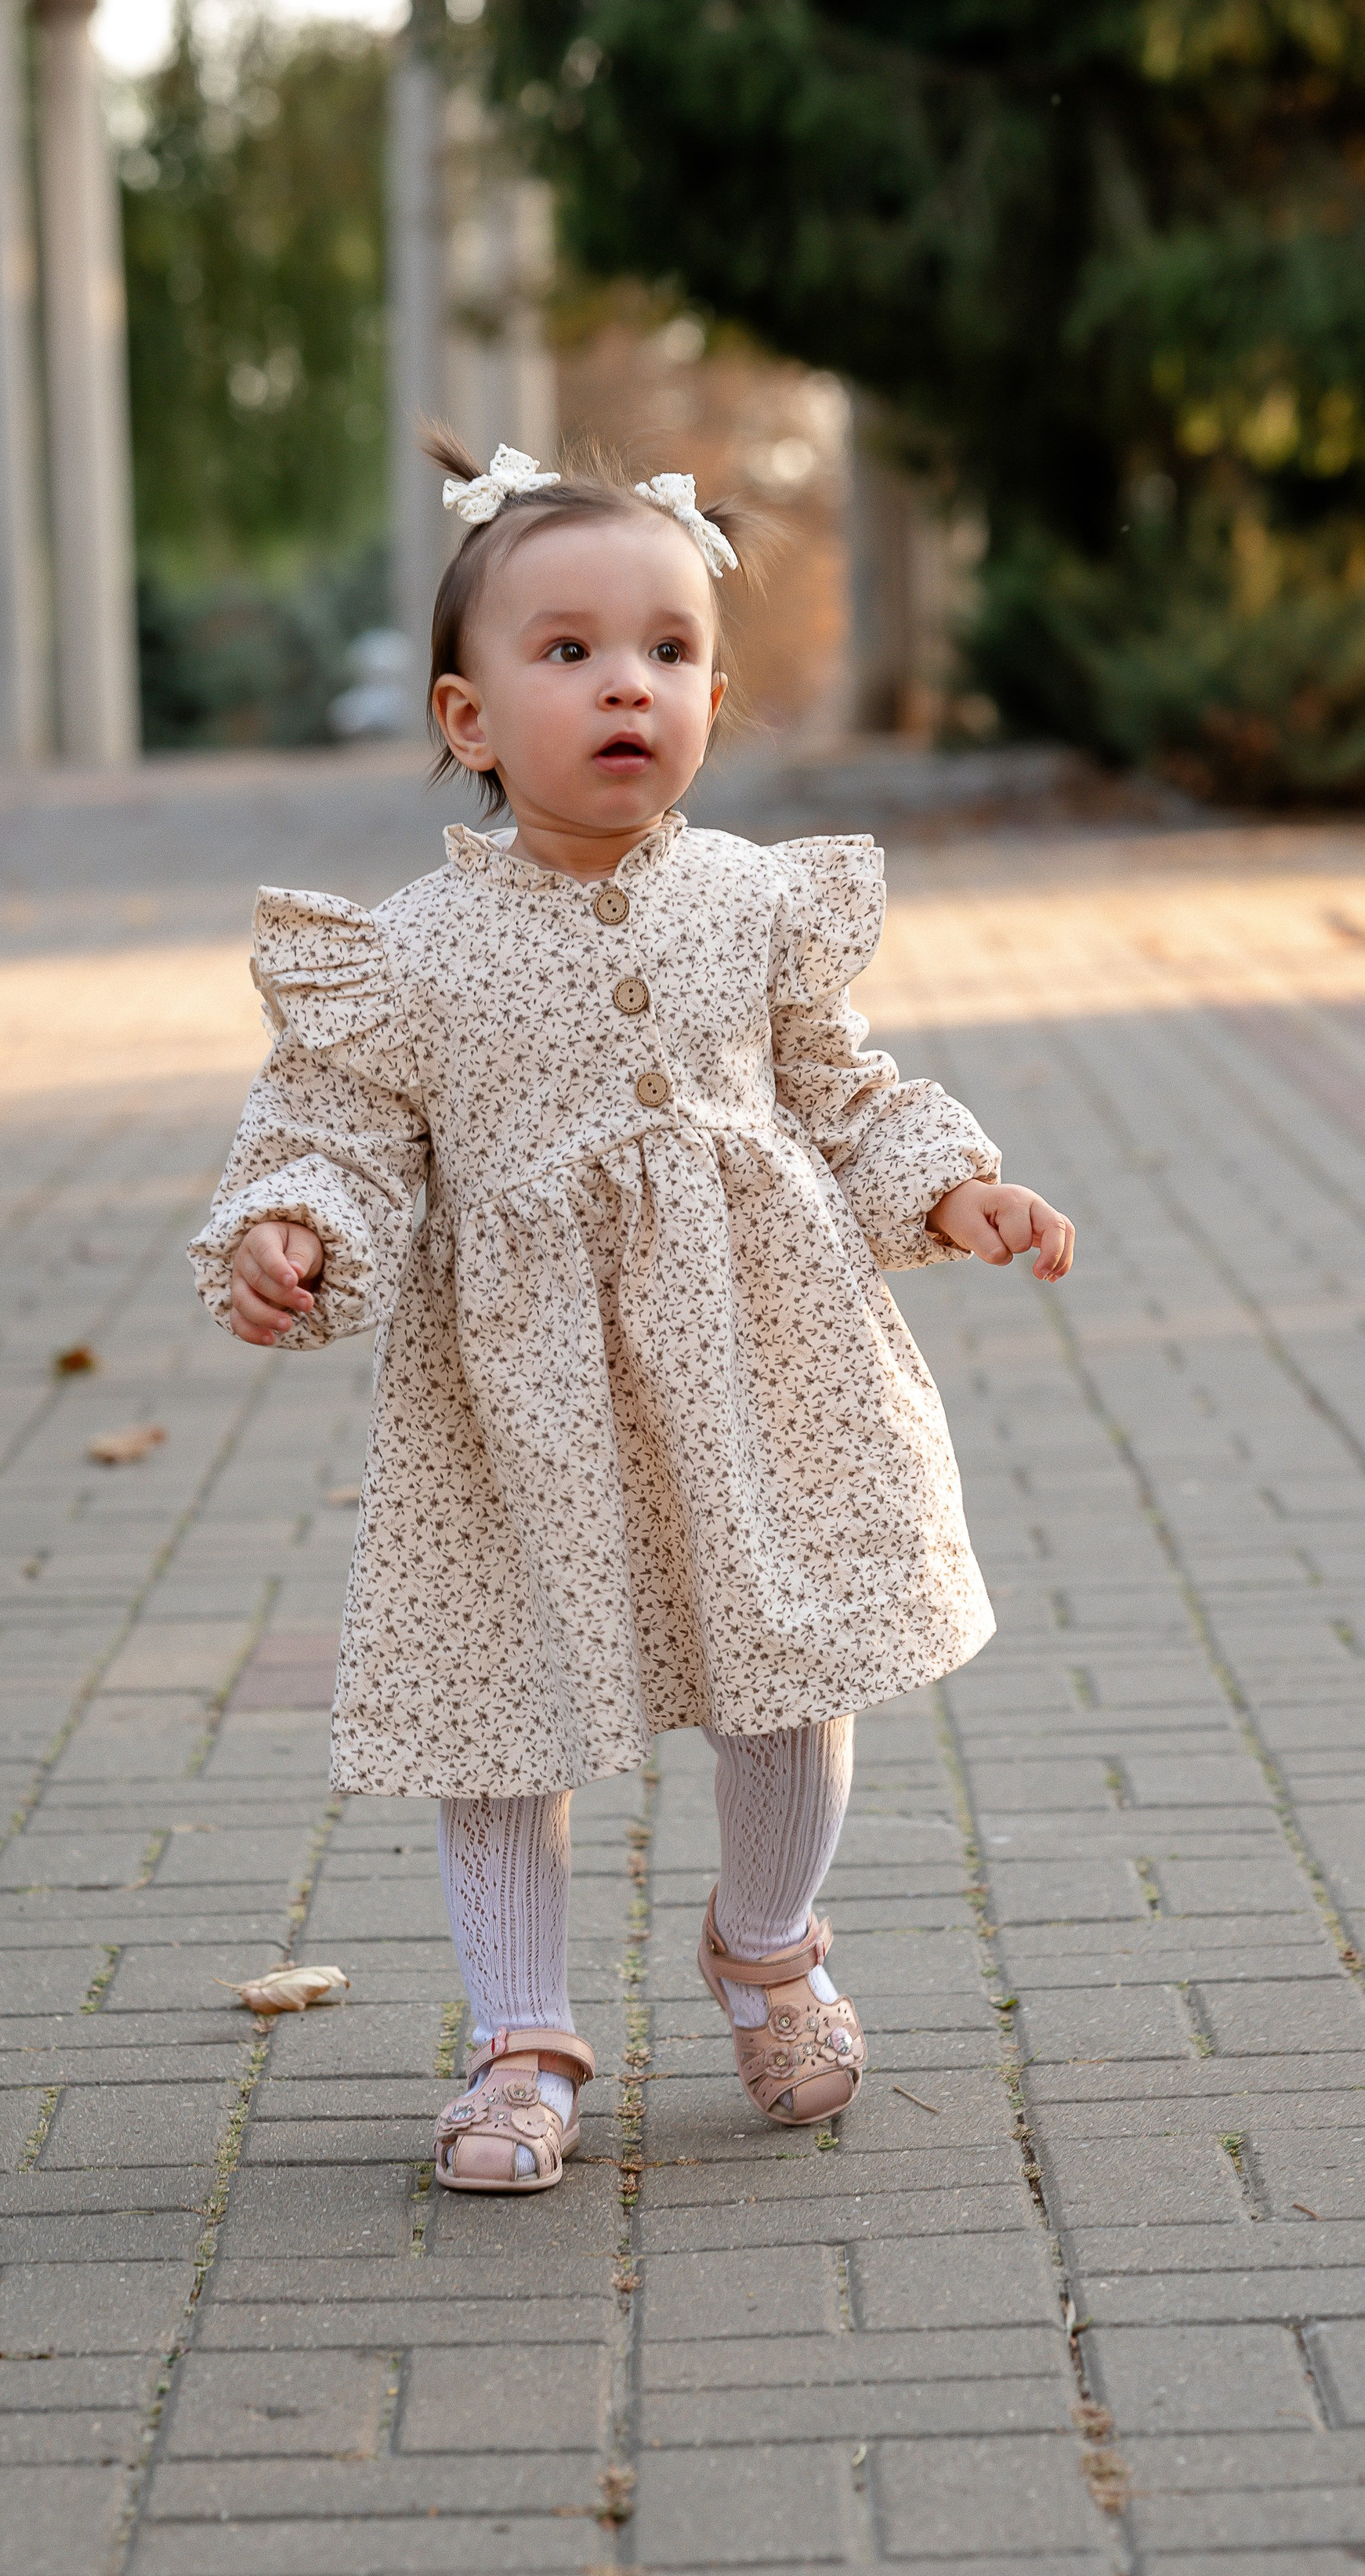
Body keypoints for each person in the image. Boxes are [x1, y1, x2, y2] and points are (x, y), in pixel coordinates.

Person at [190, 433, 1077, 2195]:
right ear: (467, 716)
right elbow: (336, 1131)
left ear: (712, 693)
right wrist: (289, 1225)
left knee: (789, 1653)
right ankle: (518, 2033)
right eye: (570, 649)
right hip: (518, 1399)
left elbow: (839, 1086)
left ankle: (767, 1939)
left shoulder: (757, 903)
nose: (627, 685)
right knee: (504, 1700)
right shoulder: (410, 952)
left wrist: (947, 1177)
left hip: (762, 1365)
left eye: (668, 651)